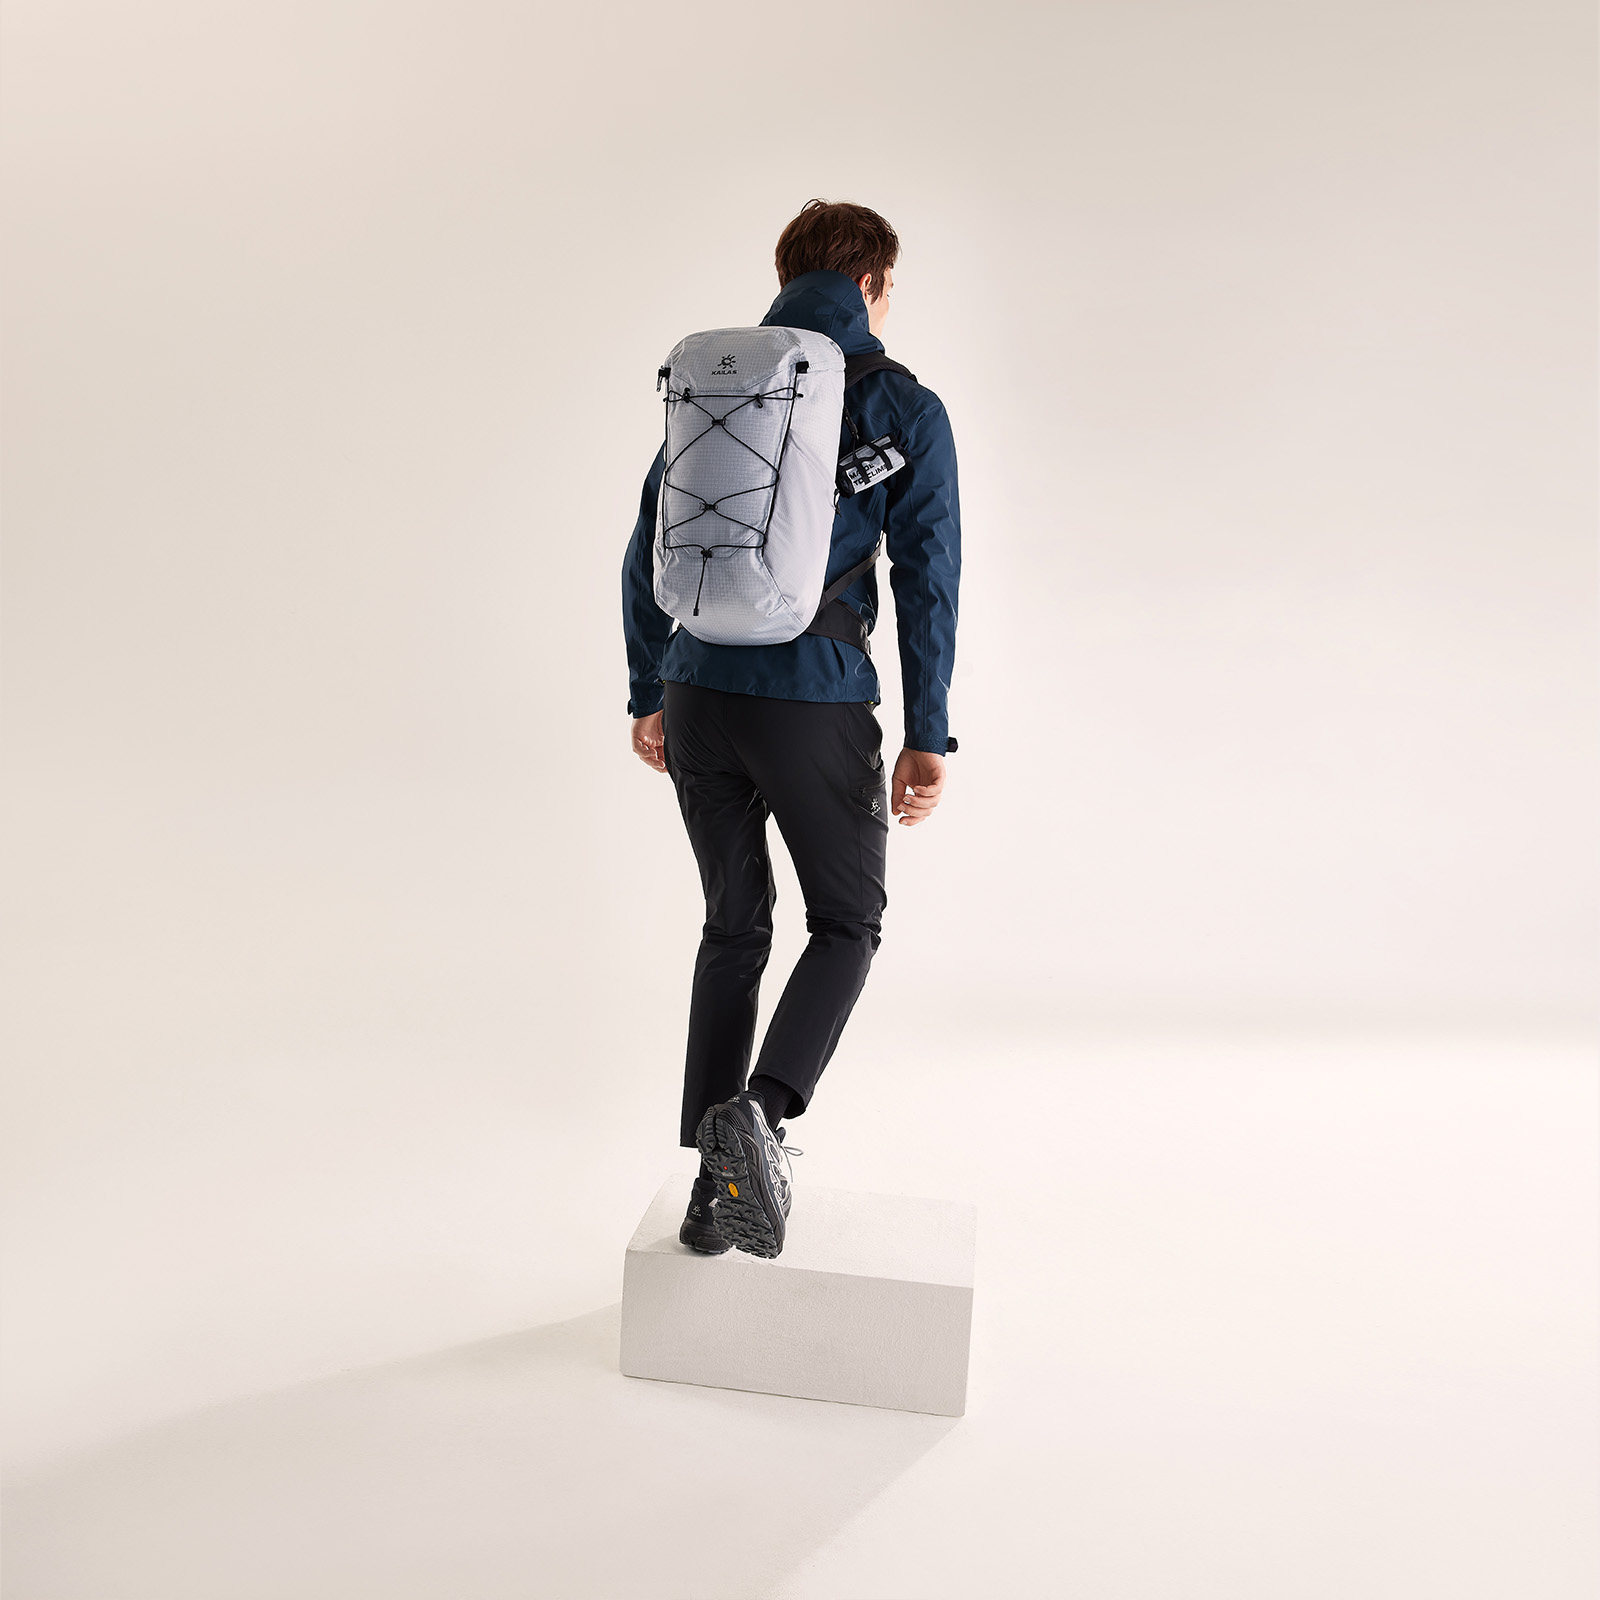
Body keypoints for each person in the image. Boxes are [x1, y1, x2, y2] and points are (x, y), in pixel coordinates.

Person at [620, 198, 961, 1258]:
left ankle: (708, 1190)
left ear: (786, 276)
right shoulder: (899, 402)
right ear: (870, 283)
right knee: (846, 923)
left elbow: (643, 547)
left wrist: (646, 690)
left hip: (697, 691)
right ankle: (759, 1120)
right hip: (813, 695)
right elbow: (930, 578)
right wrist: (928, 731)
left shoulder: (717, 385)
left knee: (733, 927)